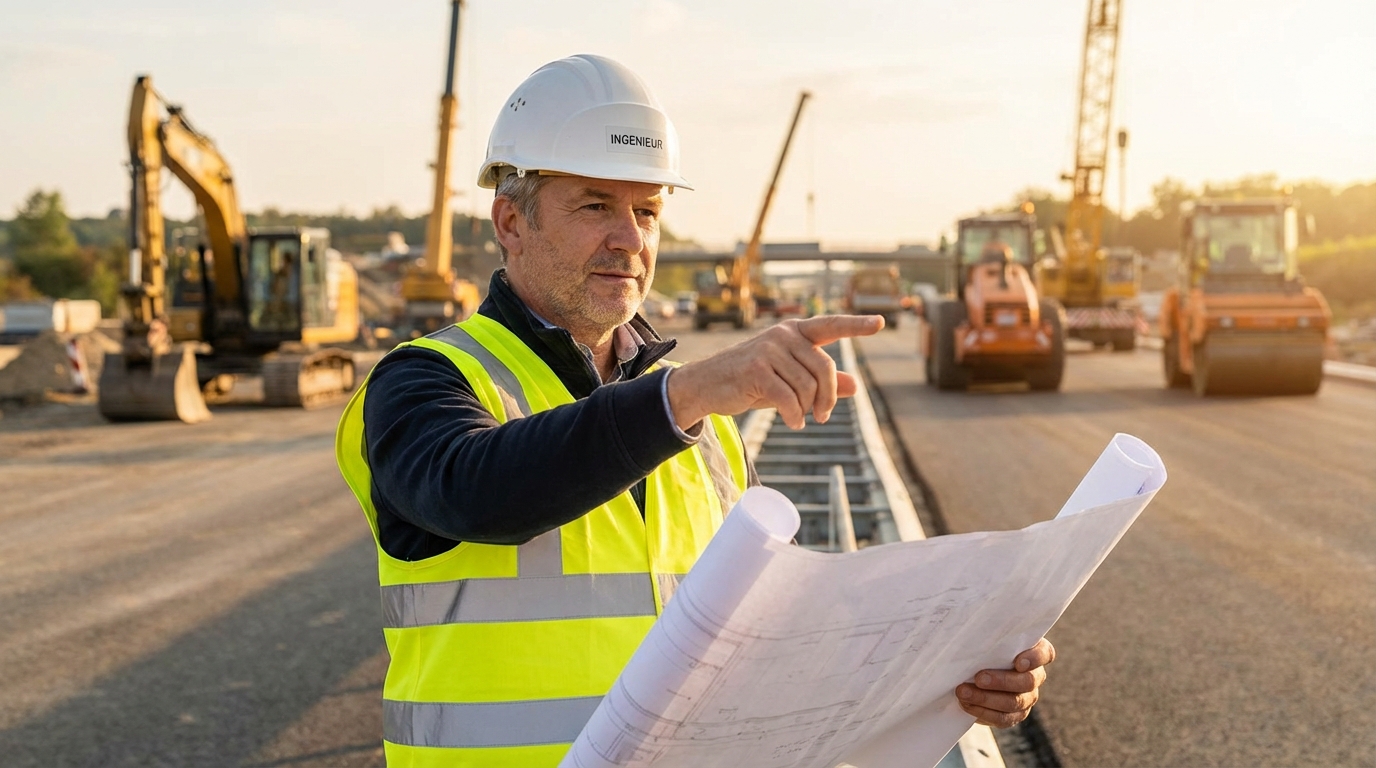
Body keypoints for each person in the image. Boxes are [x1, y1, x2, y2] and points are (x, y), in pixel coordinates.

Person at [335, 54, 1054, 767]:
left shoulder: (697, 423)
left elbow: (752, 643)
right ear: (510, 222)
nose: (631, 239)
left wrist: (947, 672)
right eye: (594, 205)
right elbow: (475, 492)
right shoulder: (427, 379)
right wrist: (687, 396)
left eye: (647, 210)